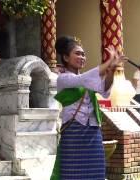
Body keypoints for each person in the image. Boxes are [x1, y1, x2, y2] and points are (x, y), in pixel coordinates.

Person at [50, 36, 128, 179]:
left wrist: (111, 70)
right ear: (66, 58)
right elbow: (83, 80)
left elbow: (104, 90)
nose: (82, 57)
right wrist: (109, 62)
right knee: (73, 172)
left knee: (95, 172)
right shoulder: (63, 79)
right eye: (77, 53)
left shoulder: (88, 78)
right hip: (74, 130)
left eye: (83, 54)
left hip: (93, 130)